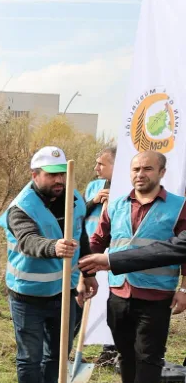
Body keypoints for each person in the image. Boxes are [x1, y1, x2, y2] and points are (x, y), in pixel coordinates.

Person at [79, 151, 186, 383]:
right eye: (136, 169)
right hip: (119, 291)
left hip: (156, 294)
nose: (140, 174)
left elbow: (183, 251)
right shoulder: (115, 205)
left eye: (147, 169)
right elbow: (98, 240)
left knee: (149, 355)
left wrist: (184, 288)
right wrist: (86, 275)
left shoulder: (178, 207)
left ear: (162, 173)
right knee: (124, 350)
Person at [0, 147, 93, 383]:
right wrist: (54, 247)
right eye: (51, 175)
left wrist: (87, 273)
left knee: (58, 352)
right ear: (35, 175)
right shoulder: (20, 208)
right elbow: (28, 241)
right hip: (27, 295)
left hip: (64, 291)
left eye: (62, 174)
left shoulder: (75, 199)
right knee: (30, 356)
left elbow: (81, 237)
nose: (59, 180)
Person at [84, 146, 119, 367]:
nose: (96, 168)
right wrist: (94, 201)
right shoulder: (93, 187)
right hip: (91, 251)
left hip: (114, 256)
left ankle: (110, 350)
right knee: (87, 300)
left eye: (101, 164)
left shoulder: (128, 188)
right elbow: (77, 214)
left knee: (111, 304)